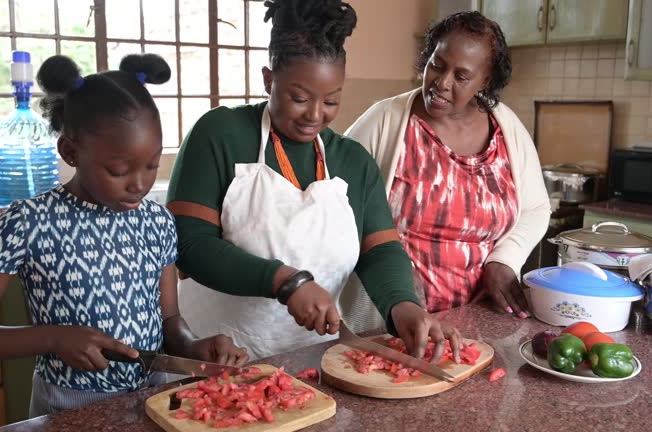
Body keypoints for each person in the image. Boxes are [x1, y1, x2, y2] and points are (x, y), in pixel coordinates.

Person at [0, 53, 247, 417]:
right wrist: (53, 337)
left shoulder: (158, 222)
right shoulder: (27, 223)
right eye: (119, 169)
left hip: (156, 399)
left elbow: (169, 321)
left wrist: (194, 346)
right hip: (69, 406)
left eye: (151, 164)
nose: (140, 184)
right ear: (70, 152)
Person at [167, 0, 462, 363]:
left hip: (313, 363)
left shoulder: (353, 161)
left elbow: (381, 251)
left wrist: (403, 304)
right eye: (299, 98)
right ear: (268, 79)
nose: (315, 115)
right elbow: (189, 244)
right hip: (215, 358)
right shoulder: (219, 134)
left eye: (331, 101)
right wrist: (285, 282)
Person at [345, 11, 550, 318]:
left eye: (461, 76)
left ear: (486, 80)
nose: (442, 82)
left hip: (481, 316)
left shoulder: (507, 129)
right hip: (388, 316)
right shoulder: (384, 120)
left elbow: (536, 208)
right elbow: (336, 204)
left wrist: (505, 260)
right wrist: (393, 276)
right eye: (436, 65)